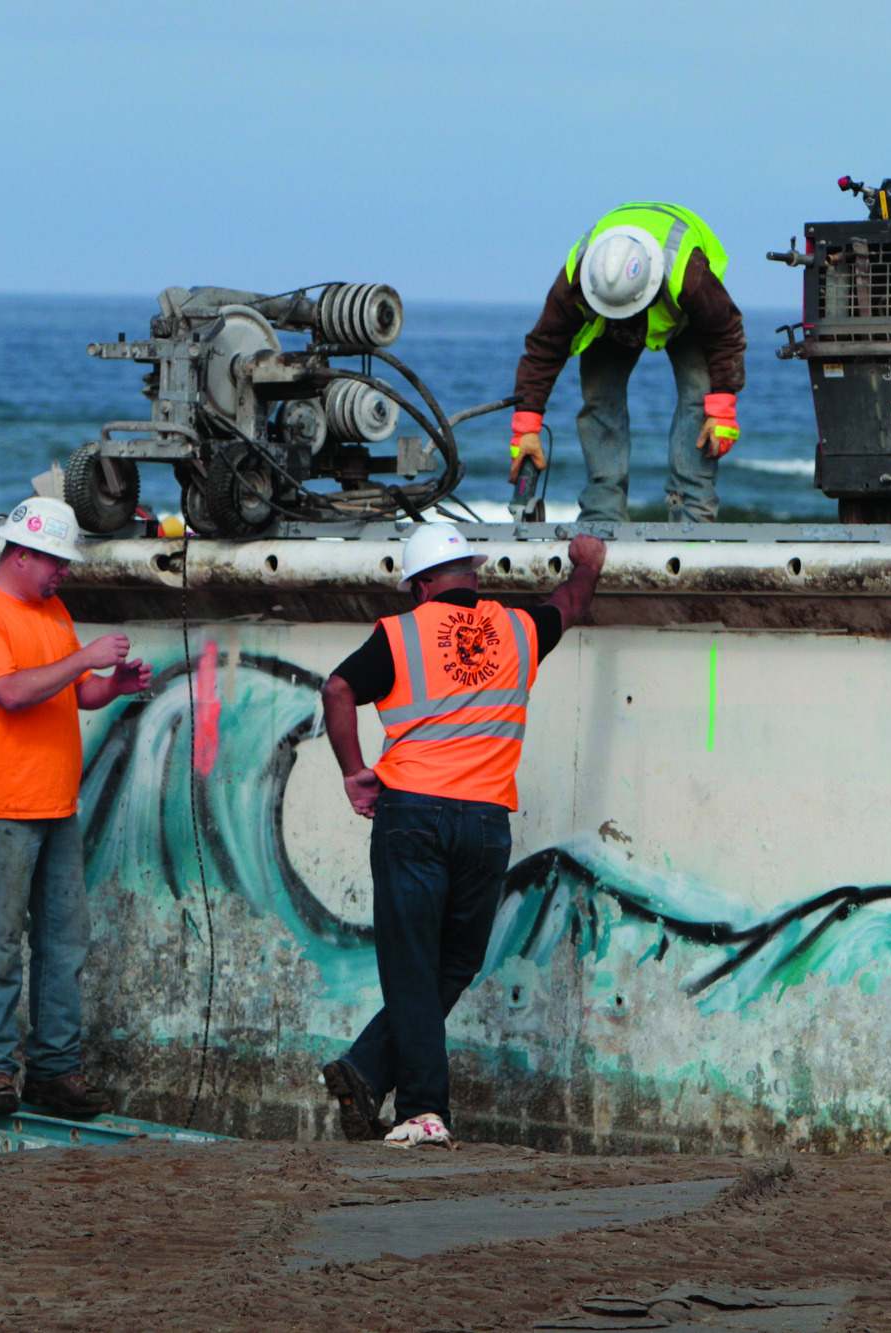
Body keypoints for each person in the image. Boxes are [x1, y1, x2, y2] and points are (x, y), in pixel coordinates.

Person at [318, 523, 606, 1147]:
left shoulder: (400, 633)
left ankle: (419, 1106)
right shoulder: (518, 629)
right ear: (473, 576)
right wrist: (586, 560)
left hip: (412, 815)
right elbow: (572, 602)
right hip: (484, 823)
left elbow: (338, 688)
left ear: (420, 585)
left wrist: (352, 773)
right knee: (455, 961)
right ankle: (366, 1073)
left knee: (412, 963)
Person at [0, 496, 153, 1118]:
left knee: (64, 942)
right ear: (24, 553)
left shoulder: (50, 608)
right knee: (1, 944)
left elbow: (72, 691)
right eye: (57, 561)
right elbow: (9, 692)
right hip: (0, 804)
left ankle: (55, 1071)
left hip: (54, 804)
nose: (65, 572)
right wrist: (85, 660)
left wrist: (109, 686)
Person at [509, 202, 747, 523]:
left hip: (688, 318)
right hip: (605, 313)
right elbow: (543, 348)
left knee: (700, 404)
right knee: (600, 402)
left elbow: (724, 332)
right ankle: (602, 517)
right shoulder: (578, 279)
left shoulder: (687, 274)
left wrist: (723, 411)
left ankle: (694, 515)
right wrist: (526, 429)